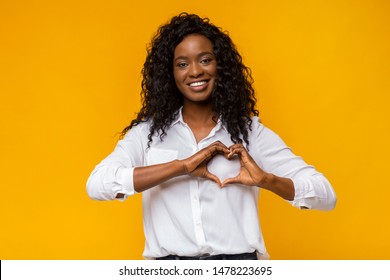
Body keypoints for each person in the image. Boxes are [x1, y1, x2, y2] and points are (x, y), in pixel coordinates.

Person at [86, 12, 336, 260]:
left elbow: (326, 195)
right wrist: (180, 166)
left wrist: (267, 180)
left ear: (221, 66)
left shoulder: (250, 133)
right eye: (182, 64)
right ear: (170, 73)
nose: (194, 71)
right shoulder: (147, 135)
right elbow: (98, 184)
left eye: (205, 60)